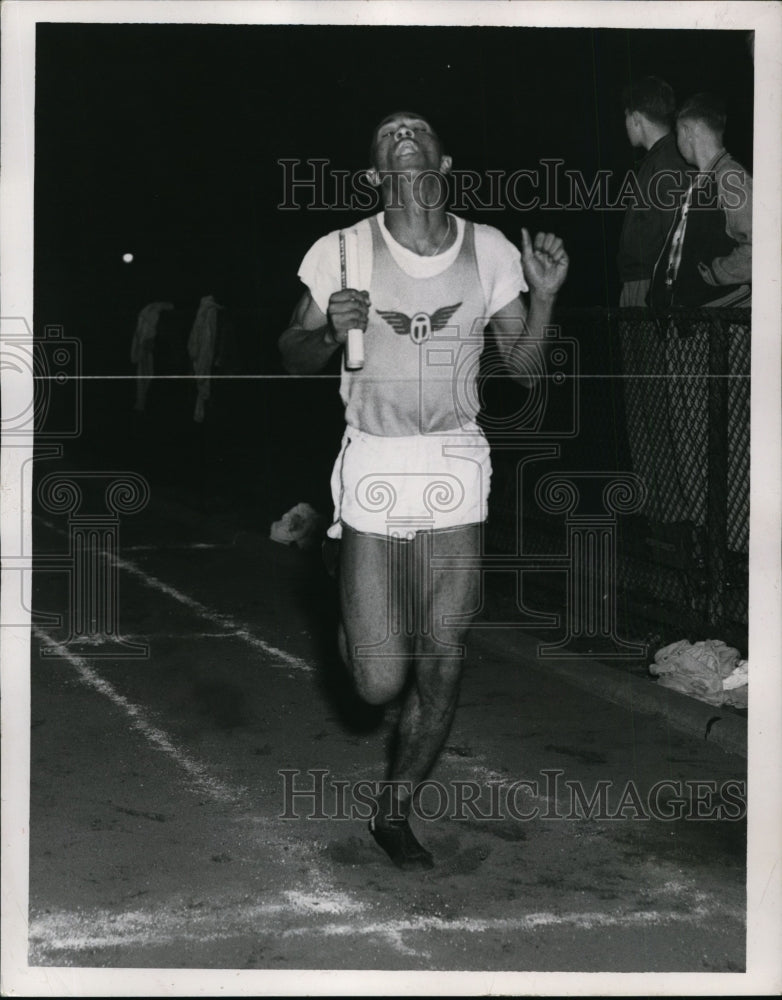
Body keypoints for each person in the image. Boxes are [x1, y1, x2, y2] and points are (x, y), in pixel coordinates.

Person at [279, 111, 568, 870]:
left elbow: (526, 373)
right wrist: (320, 332)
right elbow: (291, 359)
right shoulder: (340, 250)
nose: (404, 130)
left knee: (444, 653)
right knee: (378, 684)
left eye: (419, 127)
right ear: (376, 172)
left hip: (454, 459)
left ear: (444, 158)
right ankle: (342, 564)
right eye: (387, 132)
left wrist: (543, 302)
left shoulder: (492, 249)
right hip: (375, 458)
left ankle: (395, 811)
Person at [650, 92, 752, 311]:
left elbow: (761, 247)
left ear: (687, 132)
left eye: (677, 132)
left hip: (721, 321)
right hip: (702, 321)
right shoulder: (703, 181)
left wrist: (718, 273)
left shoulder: (729, 177)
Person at [617, 76, 689, 307]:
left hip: (650, 287)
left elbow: (679, 235)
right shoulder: (658, 159)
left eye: (625, 117)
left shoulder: (667, 162)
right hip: (645, 283)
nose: (625, 124)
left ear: (635, 117)